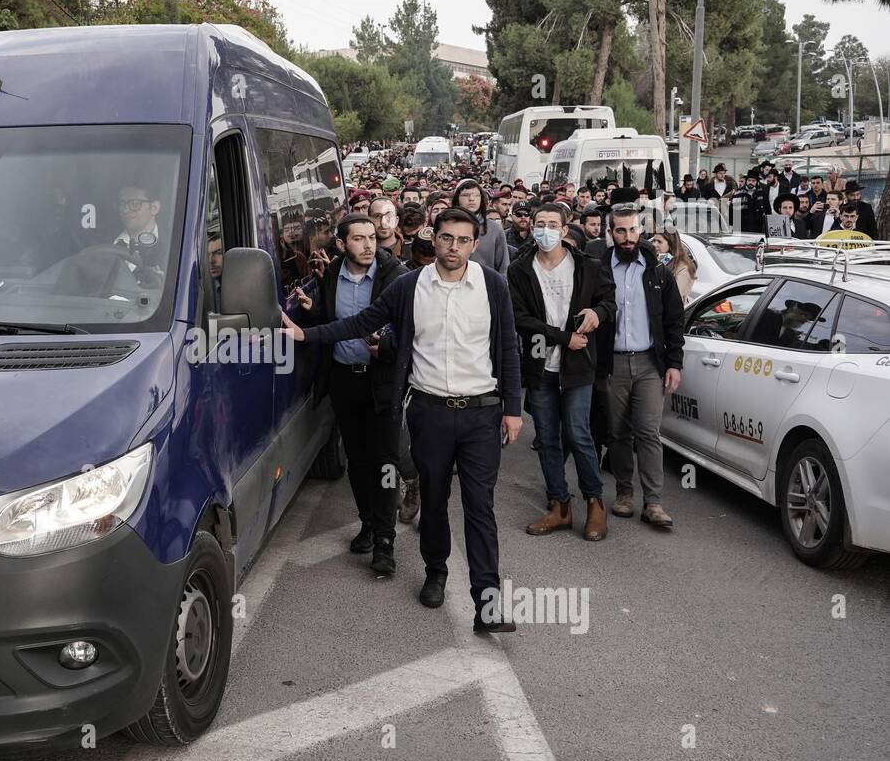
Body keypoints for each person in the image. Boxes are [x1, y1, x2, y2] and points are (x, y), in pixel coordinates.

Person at [281, 207, 524, 628]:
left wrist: (514, 410)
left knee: (479, 509)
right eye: (446, 238)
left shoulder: (493, 286)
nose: (453, 247)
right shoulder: (411, 286)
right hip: (429, 411)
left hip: (482, 413)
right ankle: (435, 573)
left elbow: (507, 348)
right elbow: (360, 322)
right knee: (432, 499)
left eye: (463, 240)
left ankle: (488, 604)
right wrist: (308, 334)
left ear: (475, 243)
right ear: (434, 239)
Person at [292, 213, 405, 573]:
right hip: (344, 379)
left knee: (384, 460)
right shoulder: (331, 277)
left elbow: (409, 331)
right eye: (359, 238)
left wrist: (386, 346)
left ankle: (385, 541)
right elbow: (333, 323)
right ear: (342, 244)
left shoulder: (396, 277)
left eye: (372, 237)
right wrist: (313, 314)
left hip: (381, 383)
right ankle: (368, 524)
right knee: (357, 460)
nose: (369, 244)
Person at [508, 203, 615, 542]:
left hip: (578, 366)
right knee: (547, 439)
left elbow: (608, 302)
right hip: (542, 365)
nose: (545, 230)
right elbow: (520, 318)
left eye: (553, 224)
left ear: (566, 230)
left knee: (579, 432)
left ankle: (595, 502)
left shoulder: (587, 266)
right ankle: (560, 506)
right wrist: (562, 337)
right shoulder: (520, 269)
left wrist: (598, 313)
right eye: (540, 224)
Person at [599, 203, 684, 529]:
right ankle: (624, 493)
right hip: (614, 363)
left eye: (633, 229)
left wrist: (674, 364)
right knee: (618, 432)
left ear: (641, 231)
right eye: (620, 230)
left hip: (650, 363)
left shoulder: (657, 271)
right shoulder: (600, 268)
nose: (627, 236)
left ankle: (654, 502)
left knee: (648, 432)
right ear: (611, 233)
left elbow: (675, 320)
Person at [454, 178, 509, 274]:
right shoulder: (448, 226)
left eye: (476, 195)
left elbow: (504, 267)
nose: (471, 199)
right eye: (466, 195)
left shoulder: (494, 229)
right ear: (457, 198)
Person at [649, 225, 697, 304]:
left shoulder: (683, 267)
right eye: (654, 241)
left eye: (659, 242)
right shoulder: (658, 261)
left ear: (671, 245)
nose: (654, 245)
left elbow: (674, 296)